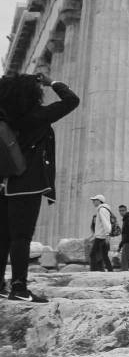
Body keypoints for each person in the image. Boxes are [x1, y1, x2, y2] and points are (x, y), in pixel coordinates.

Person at [0, 72, 79, 302]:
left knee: (3, 237)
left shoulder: (5, 117)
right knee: (21, 238)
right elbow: (72, 100)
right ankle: (19, 288)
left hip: (3, 183)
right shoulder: (38, 116)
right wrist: (51, 82)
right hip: (27, 185)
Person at [87, 194, 116, 272]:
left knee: (93, 254)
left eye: (94, 200)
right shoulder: (102, 209)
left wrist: (107, 234)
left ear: (99, 201)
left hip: (101, 237)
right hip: (103, 236)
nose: (93, 202)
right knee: (104, 256)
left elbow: (106, 223)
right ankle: (110, 271)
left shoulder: (102, 209)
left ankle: (93, 272)